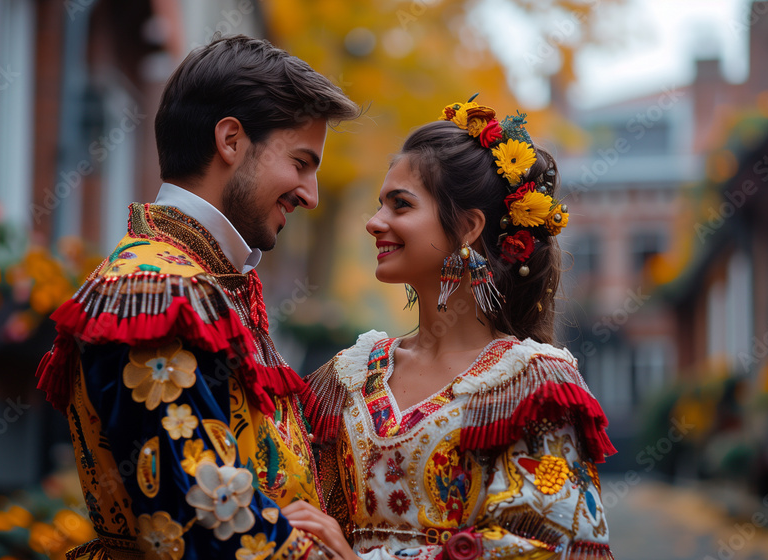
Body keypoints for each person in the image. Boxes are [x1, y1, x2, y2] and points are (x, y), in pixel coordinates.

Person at [35, 35, 359, 560]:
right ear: (231, 140)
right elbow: (207, 524)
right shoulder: (159, 289)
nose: (311, 194)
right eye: (301, 162)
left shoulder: (197, 280)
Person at [292, 98, 618, 560]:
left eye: (399, 205)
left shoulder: (534, 385)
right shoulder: (347, 376)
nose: (374, 222)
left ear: (467, 227)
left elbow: (551, 548)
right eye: (378, 204)